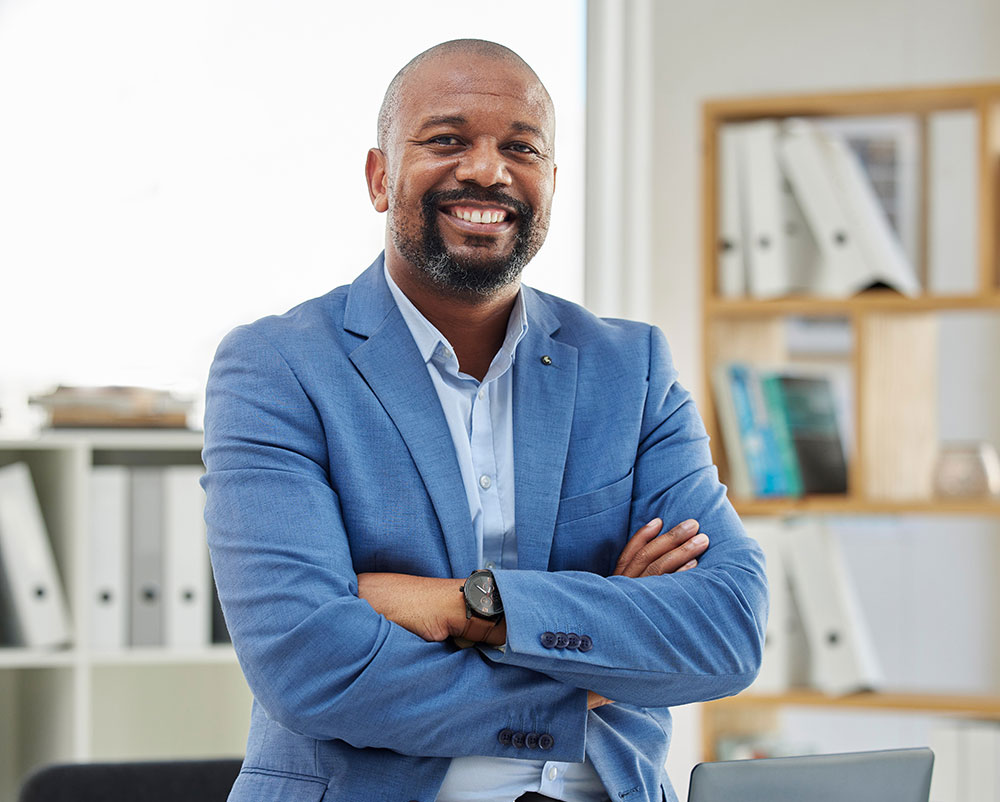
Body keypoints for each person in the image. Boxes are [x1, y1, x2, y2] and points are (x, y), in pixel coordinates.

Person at [202, 39, 767, 802]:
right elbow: (309, 664)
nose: (486, 170)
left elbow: (726, 629)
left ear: (551, 184)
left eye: (520, 148)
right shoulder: (278, 366)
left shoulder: (628, 369)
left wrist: (469, 606)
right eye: (446, 140)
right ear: (380, 178)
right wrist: (593, 680)